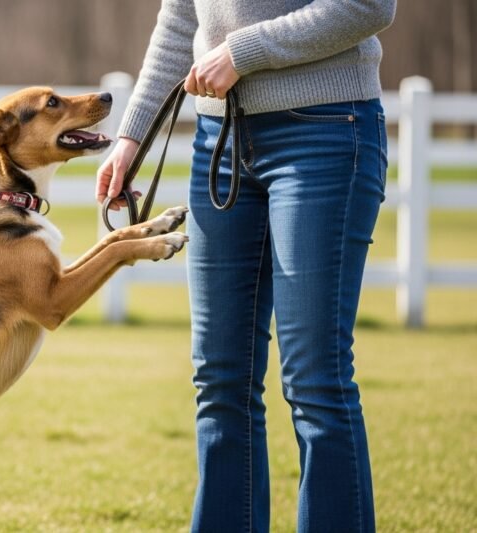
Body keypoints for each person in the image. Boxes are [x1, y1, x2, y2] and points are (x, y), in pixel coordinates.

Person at [96, 1, 397, 531]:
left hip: (325, 131)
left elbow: (367, 6)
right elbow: (180, 20)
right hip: (219, 138)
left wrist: (242, 52)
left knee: (314, 380)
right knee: (220, 381)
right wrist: (131, 136)